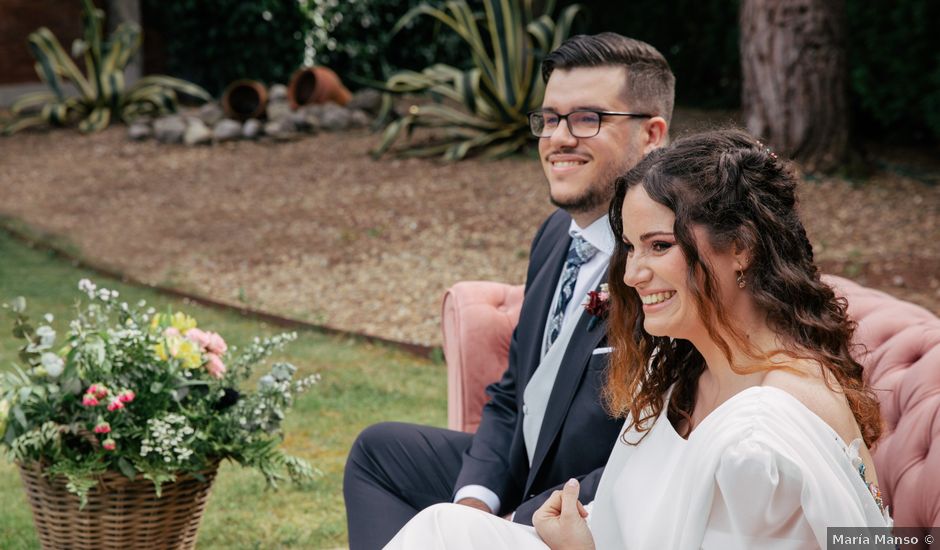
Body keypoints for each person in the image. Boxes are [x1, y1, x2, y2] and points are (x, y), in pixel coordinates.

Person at [385, 129, 892, 549]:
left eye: (659, 246)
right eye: (630, 248)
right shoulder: (681, 372)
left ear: (740, 247)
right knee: (445, 528)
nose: (632, 275)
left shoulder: (762, 436)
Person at [343, 33, 675, 549]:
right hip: (524, 466)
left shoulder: (668, 262)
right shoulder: (553, 237)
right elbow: (511, 392)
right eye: (549, 118)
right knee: (379, 451)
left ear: (652, 134)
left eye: (587, 119)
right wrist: (474, 502)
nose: (558, 138)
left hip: (586, 501)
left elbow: (659, 453)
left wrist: (514, 520)